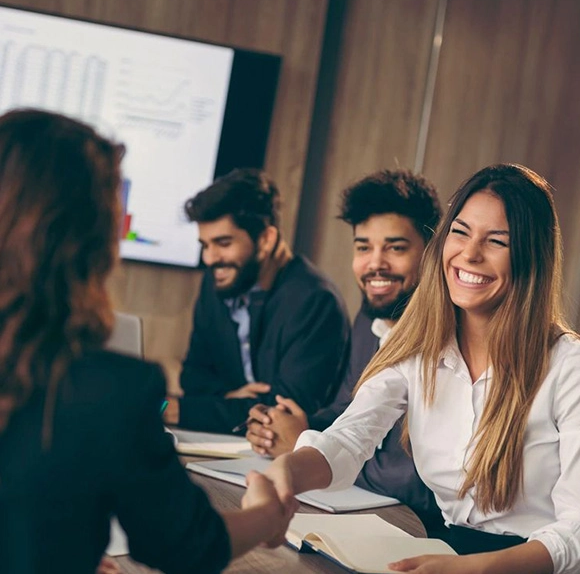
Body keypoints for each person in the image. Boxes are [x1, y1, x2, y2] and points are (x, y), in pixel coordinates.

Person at [0, 109, 295, 574]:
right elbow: (186, 545)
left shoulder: (306, 297)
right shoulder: (109, 390)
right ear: (90, 240)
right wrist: (268, 515)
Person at [263, 163, 580, 574]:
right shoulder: (416, 345)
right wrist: (282, 475)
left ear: (530, 256)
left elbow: (576, 531)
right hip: (446, 551)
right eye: (460, 232)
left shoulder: (568, 366)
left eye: (496, 241)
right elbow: (348, 440)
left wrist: (474, 569)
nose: (469, 253)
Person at [246, 169, 444, 529]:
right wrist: (288, 427)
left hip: (421, 527)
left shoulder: (449, 335)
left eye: (396, 248)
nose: (375, 263)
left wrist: (304, 447)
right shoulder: (371, 314)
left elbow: (417, 482)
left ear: (432, 252)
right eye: (363, 247)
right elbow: (348, 408)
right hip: (365, 512)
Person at [164, 168, 350, 433]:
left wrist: (182, 410)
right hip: (226, 445)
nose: (210, 258)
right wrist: (232, 399)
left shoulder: (316, 301)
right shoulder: (216, 282)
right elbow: (194, 377)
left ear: (266, 239)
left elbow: (286, 410)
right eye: (205, 245)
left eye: (223, 243)